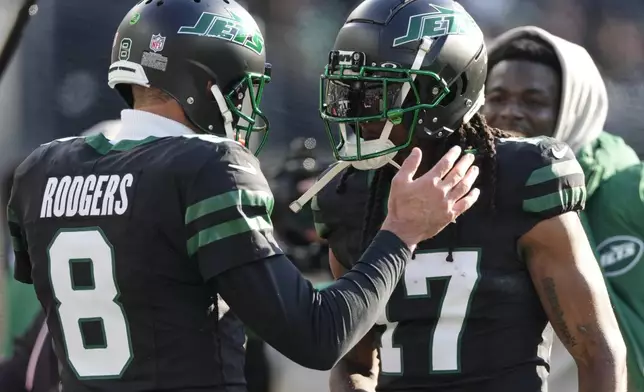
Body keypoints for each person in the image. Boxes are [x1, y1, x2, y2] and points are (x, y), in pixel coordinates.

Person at [4, 0, 482, 391]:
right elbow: (318, 336)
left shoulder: (41, 169)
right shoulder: (210, 166)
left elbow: (144, 263)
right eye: (243, 91)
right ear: (206, 85)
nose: (246, 108)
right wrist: (400, 231)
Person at [308, 0, 627, 391]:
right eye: (350, 89)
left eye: (375, 91)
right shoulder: (349, 194)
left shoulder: (522, 177)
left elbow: (598, 350)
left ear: (442, 91)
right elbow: (354, 361)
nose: (356, 107)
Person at [483, 26, 644, 390]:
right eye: (497, 97)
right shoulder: (465, 193)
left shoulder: (630, 190)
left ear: (574, 109)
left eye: (533, 101)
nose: (509, 113)